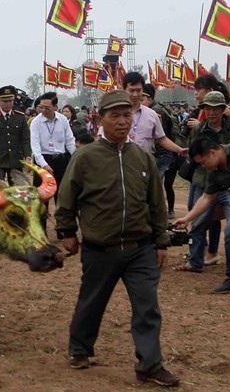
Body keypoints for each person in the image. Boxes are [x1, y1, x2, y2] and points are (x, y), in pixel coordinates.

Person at [55, 90, 179, 387]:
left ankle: (149, 364)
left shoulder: (143, 158)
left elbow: (157, 204)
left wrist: (161, 242)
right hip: (100, 248)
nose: (123, 122)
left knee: (147, 307)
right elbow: (67, 198)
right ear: (101, 119)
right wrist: (67, 232)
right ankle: (80, 349)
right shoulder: (85, 157)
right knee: (91, 302)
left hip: (140, 248)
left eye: (127, 115)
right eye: (116, 116)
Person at [174, 136, 230, 293]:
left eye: (203, 162)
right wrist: (187, 218)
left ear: (212, 153)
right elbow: (206, 198)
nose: (203, 166)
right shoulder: (214, 174)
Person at [175, 91, 230, 273]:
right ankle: (195, 261)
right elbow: (195, 152)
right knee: (197, 221)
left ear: (223, 110)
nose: (212, 113)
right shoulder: (199, 129)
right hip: (205, 180)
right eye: (208, 108)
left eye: (216, 109)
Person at [119, 72, 187, 157]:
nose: (135, 94)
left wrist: (179, 150)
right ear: (124, 90)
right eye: (131, 90)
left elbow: (162, 139)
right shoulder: (116, 114)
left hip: (145, 164)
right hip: (121, 164)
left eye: (138, 90)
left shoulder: (151, 114)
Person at [141, 84, 182, 218]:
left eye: (142, 97)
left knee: (156, 185)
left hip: (164, 154)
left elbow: (160, 137)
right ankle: (168, 211)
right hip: (164, 153)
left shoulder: (156, 112)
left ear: (149, 97)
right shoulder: (155, 109)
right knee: (165, 184)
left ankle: (162, 213)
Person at [30, 91, 75, 201]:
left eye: (47, 108)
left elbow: (69, 141)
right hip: (42, 162)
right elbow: (35, 147)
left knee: (62, 196)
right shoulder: (36, 122)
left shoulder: (63, 120)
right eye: (41, 107)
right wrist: (44, 165)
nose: (43, 111)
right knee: (41, 198)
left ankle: (60, 217)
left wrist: (75, 157)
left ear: (55, 107)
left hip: (61, 161)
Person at [0, 85, 30, 185]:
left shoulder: (20, 117)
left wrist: (28, 155)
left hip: (16, 159)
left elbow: (25, 139)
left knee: (18, 189)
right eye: (5, 101)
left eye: (10, 101)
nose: (8, 104)